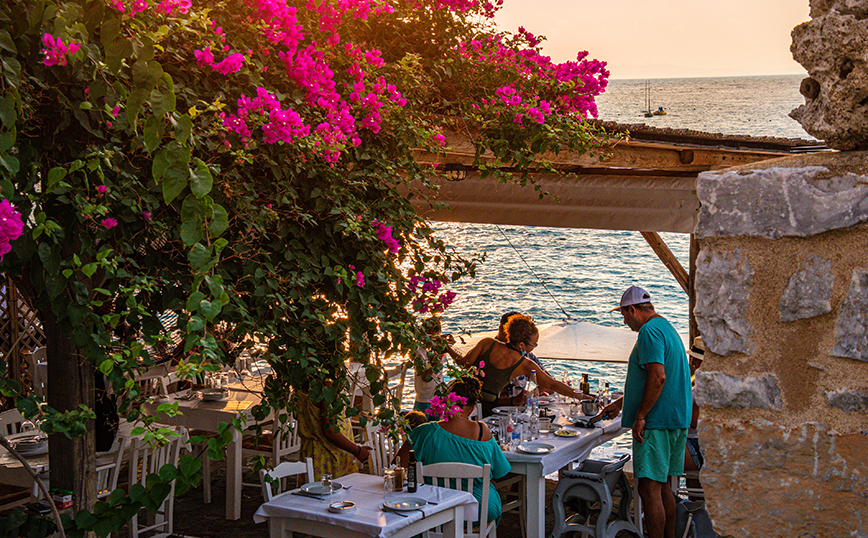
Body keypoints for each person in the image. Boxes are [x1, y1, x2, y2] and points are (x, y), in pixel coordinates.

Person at [598, 286, 692, 538]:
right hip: (676, 419)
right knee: (663, 489)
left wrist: (640, 416)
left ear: (632, 309)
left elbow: (658, 377)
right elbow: (654, 378)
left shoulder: (649, 331)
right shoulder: (666, 327)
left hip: (656, 422)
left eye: (624, 315)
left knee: (648, 490)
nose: (624, 320)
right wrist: (621, 403)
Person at [397, 377, 511, 524]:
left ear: (444, 403)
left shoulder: (424, 432)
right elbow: (500, 472)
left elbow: (398, 466)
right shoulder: (483, 432)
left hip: (434, 509)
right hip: (478, 510)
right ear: (471, 409)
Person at [457, 313, 588, 416]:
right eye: (534, 344)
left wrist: (447, 348)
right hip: (488, 409)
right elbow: (553, 384)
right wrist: (582, 396)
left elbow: (463, 364)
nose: (535, 347)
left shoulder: (486, 343)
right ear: (521, 345)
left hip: (462, 401)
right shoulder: (524, 364)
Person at [294, 389, 372, 479]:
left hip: (311, 452)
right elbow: (330, 431)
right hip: (329, 456)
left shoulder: (303, 387)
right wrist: (357, 451)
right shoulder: (327, 390)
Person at [495, 311, 549, 406]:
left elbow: (548, 383)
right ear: (500, 328)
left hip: (519, 409)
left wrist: (529, 395)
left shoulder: (527, 355)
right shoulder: (491, 353)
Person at [413, 317, 461, 414]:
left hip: (437, 396)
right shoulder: (419, 352)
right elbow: (426, 377)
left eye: (435, 337)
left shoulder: (436, 350)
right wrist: (438, 355)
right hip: (424, 398)